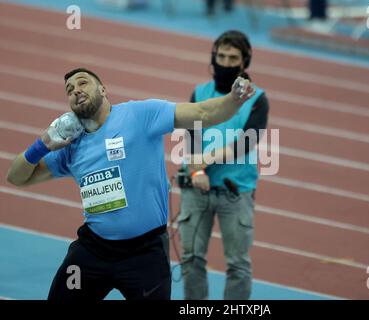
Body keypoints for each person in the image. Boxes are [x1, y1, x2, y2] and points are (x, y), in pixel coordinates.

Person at [6, 67, 255, 301]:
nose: (76, 90)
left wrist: (234, 99)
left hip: (145, 254)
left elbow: (203, 113)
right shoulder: (70, 145)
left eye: (83, 83)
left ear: (103, 90)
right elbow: (16, 177)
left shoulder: (141, 115)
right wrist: (42, 145)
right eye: (69, 90)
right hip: (93, 252)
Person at [177, 30, 269, 300]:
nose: (225, 63)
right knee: (191, 258)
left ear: (245, 62)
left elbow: (247, 142)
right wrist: (196, 170)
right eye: (221, 56)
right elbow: (192, 136)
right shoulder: (200, 93)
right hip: (197, 189)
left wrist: (206, 160)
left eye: (233, 58)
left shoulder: (258, 99)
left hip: (236, 191)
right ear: (213, 57)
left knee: (238, 264)